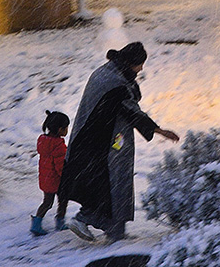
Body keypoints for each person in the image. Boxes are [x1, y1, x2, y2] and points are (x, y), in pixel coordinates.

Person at [58, 42, 179, 242]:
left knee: (105, 182)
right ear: (130, 62)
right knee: (111, 183)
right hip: (105, 142)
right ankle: (86, 220)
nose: (141, 69)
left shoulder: (105, 73)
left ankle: (115, 232)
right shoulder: (115, 83)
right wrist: (160, 130)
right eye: (139, 64)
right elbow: (131, 110)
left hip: (93, 138)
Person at [30, 110, 71, 236]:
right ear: (60, 130)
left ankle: (36, 223)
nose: (67, 130)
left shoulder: (43, 141)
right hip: (57, 180)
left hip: (45, 178)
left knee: (47, 202)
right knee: (63, 201)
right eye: (66, 128)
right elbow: (60, 167)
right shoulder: (59, 146)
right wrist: (67, 177)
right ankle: (60, 222)